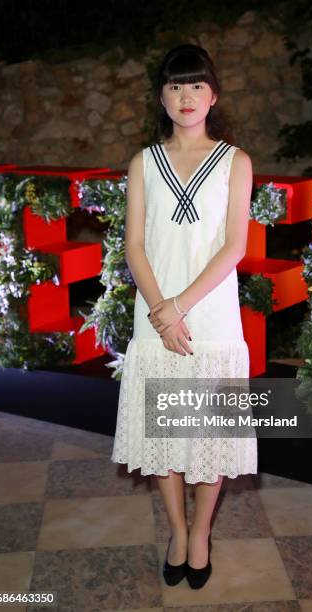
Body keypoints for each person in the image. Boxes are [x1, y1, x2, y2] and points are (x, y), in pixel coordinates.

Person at [111, 43, 257, 589]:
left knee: (206, 437)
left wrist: (179, 308)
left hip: (211, 323)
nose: (186, 96)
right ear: (162, 98)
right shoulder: (144, 162)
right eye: (175, 86)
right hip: (155, 324)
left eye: (196, 85)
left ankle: (202, 535)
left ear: (213, 95)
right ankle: (177, 530)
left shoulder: (235, 162)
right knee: (165, 439)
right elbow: (134, 247)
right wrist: (160, 312)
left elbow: (234, 247)